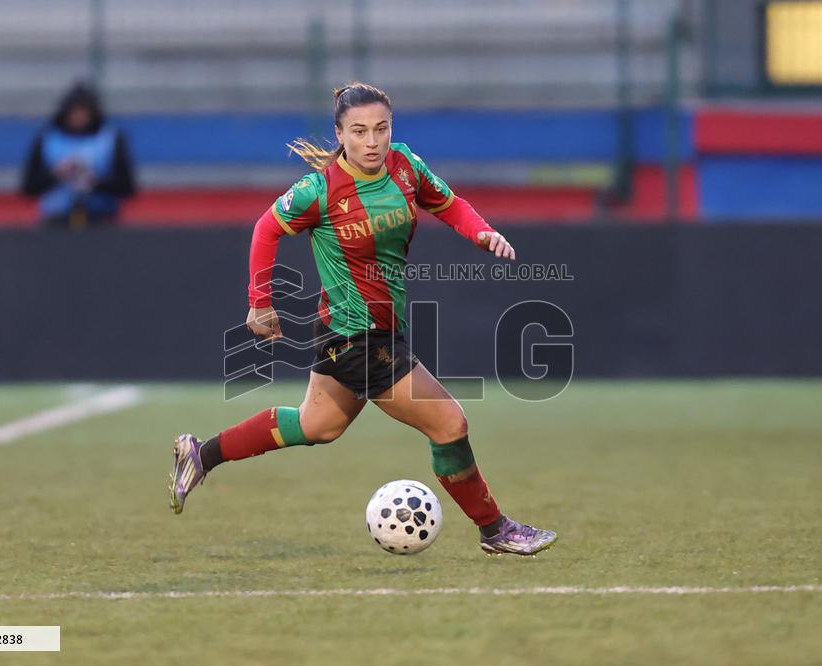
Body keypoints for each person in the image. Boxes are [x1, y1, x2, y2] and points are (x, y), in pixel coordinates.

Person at [169, 82, 556, 556]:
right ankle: (496, 530)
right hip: (355, 336)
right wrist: (259, 301)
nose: (372, 141)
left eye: (381, 129)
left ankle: (200, 454)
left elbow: (448, 202)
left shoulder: (405, 165)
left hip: (370, 331)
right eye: (359, 131)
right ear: (340, 134)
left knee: (318, 425)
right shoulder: (320, 189)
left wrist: (483, 233)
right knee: (450, 424)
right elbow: (266, 227)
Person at [20, 82, 137, 228]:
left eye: (84, 112)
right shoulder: (46, 139)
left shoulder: (111, 139)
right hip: (56, 222)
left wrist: (95, 182)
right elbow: (29, 187)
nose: (79, 117)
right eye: (74, 112)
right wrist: (57, 175)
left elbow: (128, 187)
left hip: (101, 221)